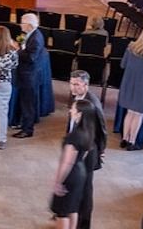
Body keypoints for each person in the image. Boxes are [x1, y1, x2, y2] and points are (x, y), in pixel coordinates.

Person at [50, 98, 98, 229]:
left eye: (74, 109)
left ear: (80, 114)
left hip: (71, 174)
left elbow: (67, 162)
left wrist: (58, 182)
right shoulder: (89, 132)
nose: (71, 110)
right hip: (81, 172)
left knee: (62, 211)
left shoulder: (75, 135)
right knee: (73, 208)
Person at [68, 70, 107, 229]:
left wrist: (100, 151)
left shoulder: (93, 104)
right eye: (71, 83)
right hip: (75, 149)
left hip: (87, 153)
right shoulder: (75, 98)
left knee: (85, 190)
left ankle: (83, 224)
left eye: (76, 84)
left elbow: (102, 130)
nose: (72, 88)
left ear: (86, 85)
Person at [14, 12, 46, 139]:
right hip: (26, 74)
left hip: (29, 76)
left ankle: (27, 129)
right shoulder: (31, 34)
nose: (20, 25)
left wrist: (18, 50)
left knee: (28, 103)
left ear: (29, 25)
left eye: (22, 23)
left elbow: (31, 57)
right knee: (25, 102)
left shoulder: (36, 38)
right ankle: (23, 124)